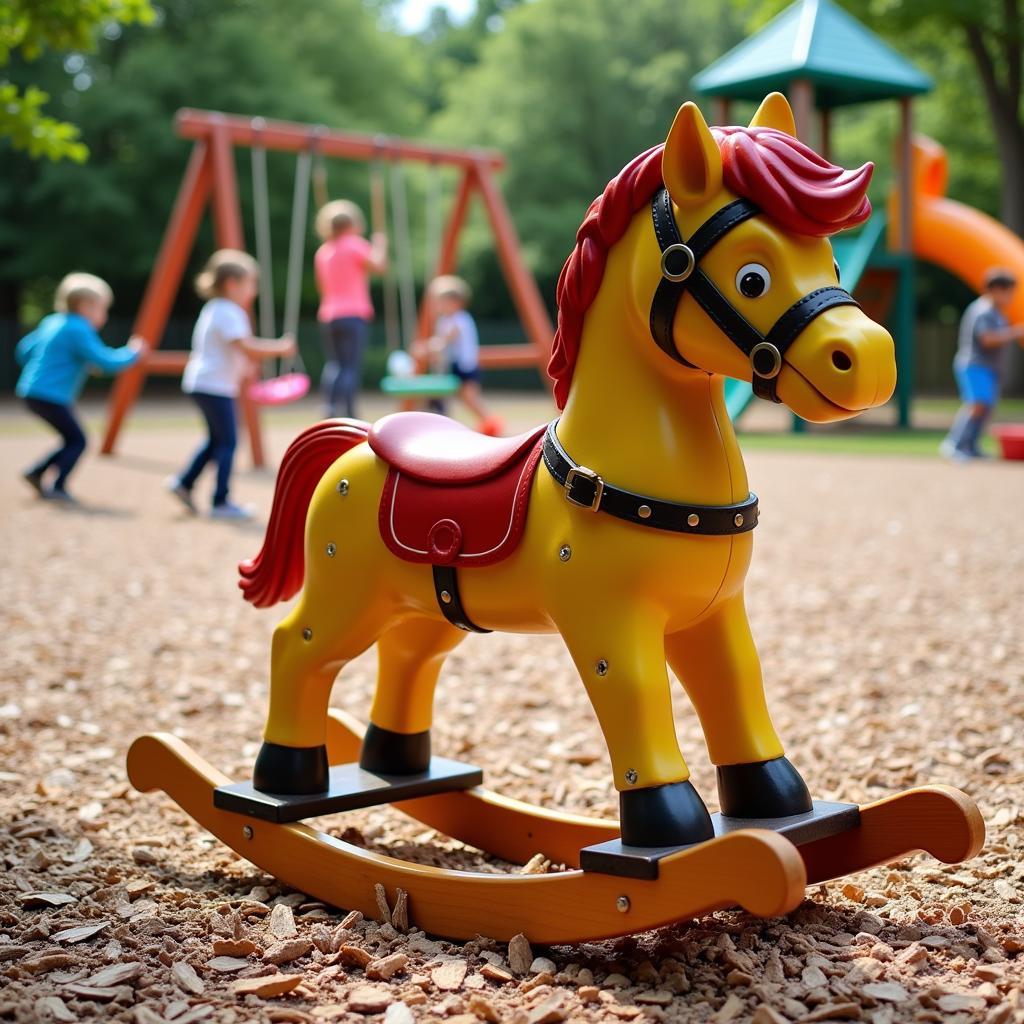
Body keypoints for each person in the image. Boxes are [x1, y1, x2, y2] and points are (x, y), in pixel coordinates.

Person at [166, 250, 296, 520]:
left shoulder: (216, 309)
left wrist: (245, 365)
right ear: (232, 284)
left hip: (204, 383)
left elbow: (230, 350)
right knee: (228, 442)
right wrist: (280, 348)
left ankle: (184, 483)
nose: (254, 291)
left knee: (217, 440)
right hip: (214, 386)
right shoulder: (229, 311)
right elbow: (246, 347)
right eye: (251, 283)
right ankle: (220, 501)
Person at [16, 273, 145, 503]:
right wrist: (133, 353)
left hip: (30, 390)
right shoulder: (79, 328)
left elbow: (24, 350)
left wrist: (58, 365)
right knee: (78, 441)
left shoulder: (53, 321)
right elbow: (106, 361)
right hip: (49, 395)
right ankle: (57, 486)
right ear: (86, 307)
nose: (103, 316)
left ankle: (36, 472)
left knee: (71, 439)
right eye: (102, 309)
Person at [313, 200, 387, 418]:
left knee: (335, 364)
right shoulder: (354, 244)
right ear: (353, 224)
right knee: (350, 367)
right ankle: (349, 412)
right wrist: (380, 245)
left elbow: (322, 286)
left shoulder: (324, 251)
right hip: (353, 313)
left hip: (329, 314)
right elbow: (379, 267)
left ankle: (330, 405)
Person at [941, 268, 1024, 460]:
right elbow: (986, 339)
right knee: (977, 405)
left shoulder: (997, 313)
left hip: (988, 368)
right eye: (1008, 291)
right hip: (974, 365)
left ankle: (972, 446)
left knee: (986, 408)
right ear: (995, 289)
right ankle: (955, 444)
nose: (1010, 296)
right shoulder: (983, 311)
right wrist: (1016, 332)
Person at [417, 275, 502, 435]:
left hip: (465, 366)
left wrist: (425, 349)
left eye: (441, 302)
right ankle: (444, 421)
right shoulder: (446, 320)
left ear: (456, 302)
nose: (437, 306)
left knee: (470, 399)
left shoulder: (459, 320)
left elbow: (444, 342)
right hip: (455, 365)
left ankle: (492, 424)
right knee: (454, 396)